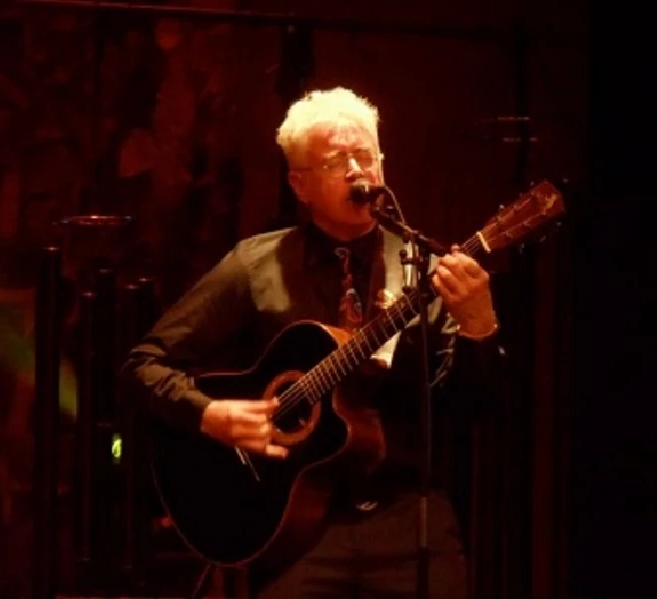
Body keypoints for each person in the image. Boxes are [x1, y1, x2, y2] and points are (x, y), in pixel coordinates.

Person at [122, 87, 504, 598]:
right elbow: (143, 365)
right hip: (292, 531)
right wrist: (207, 414)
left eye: (364, 154)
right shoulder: (255, 266)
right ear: (300, 186)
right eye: (334, 160)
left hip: (408, 518)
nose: (355, 170)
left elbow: (476, 405)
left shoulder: (424, 270)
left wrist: (480, 327)